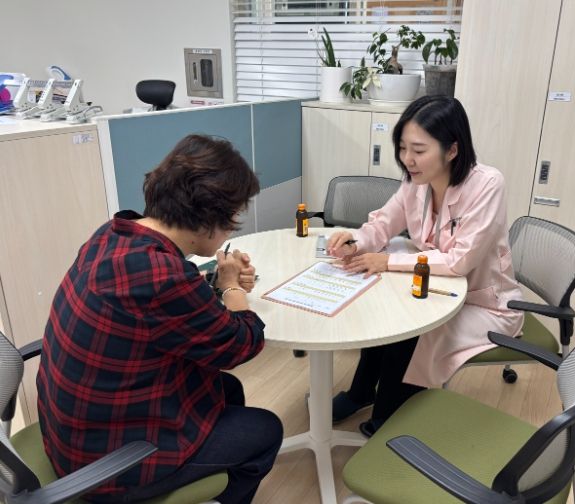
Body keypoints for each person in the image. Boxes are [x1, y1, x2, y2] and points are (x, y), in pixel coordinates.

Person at [36, 134, 283, 503]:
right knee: (267, 430)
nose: (232, 228)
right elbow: (241, 344)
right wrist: (232, 288)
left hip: (71, 431)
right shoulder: (163, 276)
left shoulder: (113, 235)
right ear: (209, 218)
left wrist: (217, 282)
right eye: (232, 219)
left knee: (227, 390)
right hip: (105, 465)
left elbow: (159, 309)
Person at [327, 95, 524, 437]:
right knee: (387, 312)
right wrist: (356, 241)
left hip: (481, 303)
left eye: (418, 150)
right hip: (436, 286)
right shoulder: (414, 183)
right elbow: (383, 224)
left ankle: (392, 413)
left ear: (452, 150)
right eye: (403, 148)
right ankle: (361, 393)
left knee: (414, 331)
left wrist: (388, 260)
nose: (407, 159)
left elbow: (459, 260)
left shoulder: (488, 184)